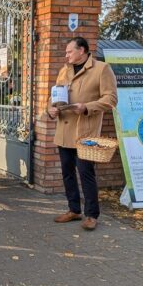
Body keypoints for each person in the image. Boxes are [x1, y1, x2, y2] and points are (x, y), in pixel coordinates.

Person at [47, 37, 117, 231]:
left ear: (82, 50)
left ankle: (92, 215)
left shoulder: (102, 69)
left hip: (85, 134)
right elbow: (53, 96)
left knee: (86, 173)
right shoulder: (64, 71)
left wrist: (87, 107)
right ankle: (74, 209)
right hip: (64, 131)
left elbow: (111, 99)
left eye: (70, 51)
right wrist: (50, 109)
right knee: (67, 173)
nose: (66, 55)